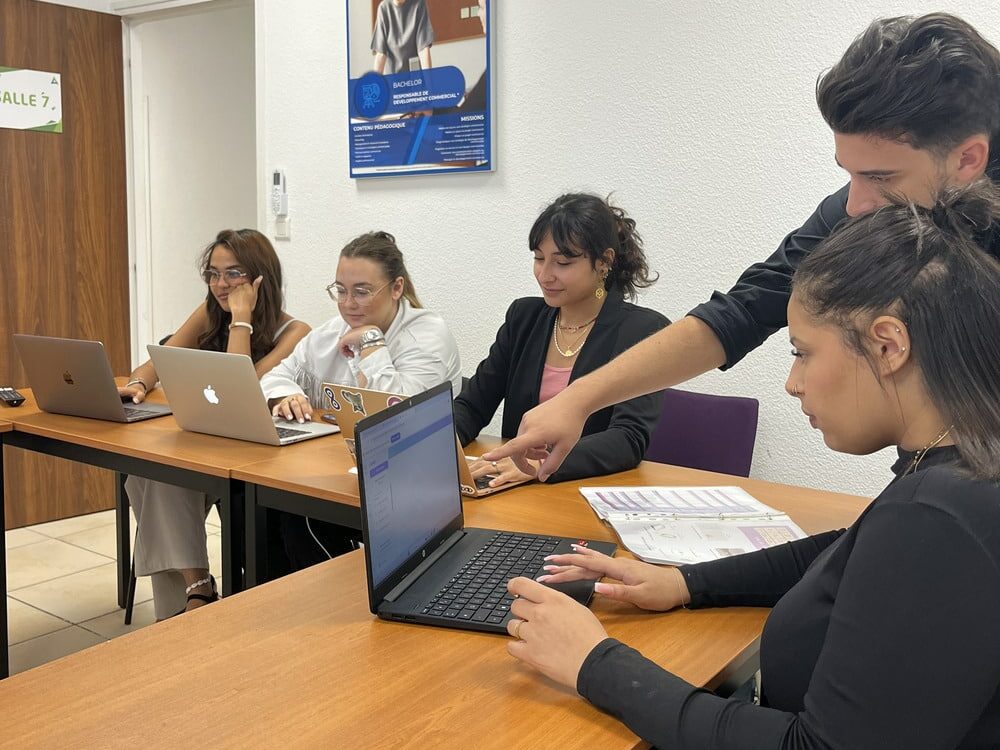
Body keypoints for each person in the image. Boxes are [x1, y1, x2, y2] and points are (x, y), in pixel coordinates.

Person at [503, 182, 1000, 748]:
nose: (792, 383)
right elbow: (846, 550)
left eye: (801, 352)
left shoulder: (940, 515)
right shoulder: (952, 463)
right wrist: (683, 583)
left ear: (888, 345)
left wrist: (596, 662)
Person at [485, 13, 1000, 480]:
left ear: (968, 159)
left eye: (880, 176)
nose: (855, 206)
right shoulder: (864, 203)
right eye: (849, 174)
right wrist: (579, 399)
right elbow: (744, 310)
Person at [123, 229, 310, 620]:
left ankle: (190, 602)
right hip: (205, 442)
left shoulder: (295, 332)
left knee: (151, 480)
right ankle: (198, 590)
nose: (221, 285)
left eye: (234, 274)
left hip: (254, 457)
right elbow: (158, 359)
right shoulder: (210, 310)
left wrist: (241, 319)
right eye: (214, 274)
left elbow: (242, 388)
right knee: (149, 473)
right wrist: (139, 384)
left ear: (261, 278)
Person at [262, 230, 461, 567]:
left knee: (302, 516)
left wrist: (371, 343)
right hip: (346, 469)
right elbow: (275, 376)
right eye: (340, 291)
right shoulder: (329, 333)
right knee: (264, 506)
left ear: (397, 288)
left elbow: (398, 413)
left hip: (413, 477)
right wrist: (288, 395)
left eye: (362, 292)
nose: (348, 304)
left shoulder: (427, 334)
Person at [456, 193, 668, 488]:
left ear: (604, 262)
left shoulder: (642, 330)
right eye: (539, 259)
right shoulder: (523, 317)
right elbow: (473, 404)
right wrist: (440, 445)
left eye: (562, 263)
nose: (545, 275)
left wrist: (541, 464)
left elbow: (628, 438)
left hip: (582, 490)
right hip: (513, 490)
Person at [371, 0, 433, 75]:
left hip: (415, 77)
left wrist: (430, 85)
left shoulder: (419, 4)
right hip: (393, 78)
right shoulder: (384, 8)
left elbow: (423, 49)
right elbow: (381, 53)